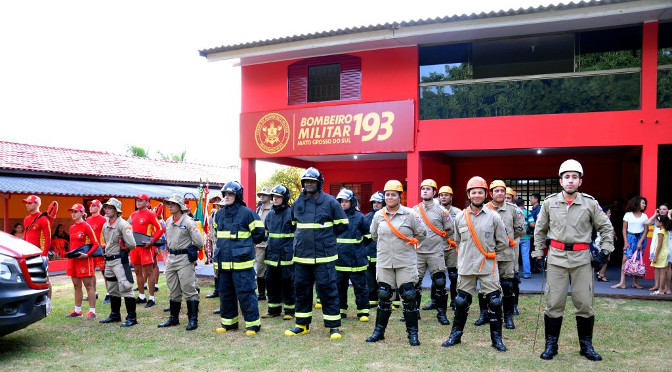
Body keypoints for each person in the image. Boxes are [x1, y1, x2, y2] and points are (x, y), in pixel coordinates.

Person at [532, 159, 614, 361]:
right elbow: (540, 230)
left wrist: (604, 251)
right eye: (566, 177)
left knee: (584, 304)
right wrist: (537, 254)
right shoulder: (550, 203)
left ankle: (586, 346)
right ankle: (551, 345)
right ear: (560, 181)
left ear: (580, 181)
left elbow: (606, 227)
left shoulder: (589, 203)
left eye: (574, 177)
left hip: (582, 260)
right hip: (556, 259)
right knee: (553, 304)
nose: (570, 181)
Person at [442, 176, 509, 352]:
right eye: (474, 192)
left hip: (487, 266)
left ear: (486, 194)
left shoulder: (494, 217)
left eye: (480, 192)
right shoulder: (460, 218)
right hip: (466, 266)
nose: (477, 195)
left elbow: (502, 242)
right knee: (461, 301)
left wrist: (491, 254)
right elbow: (457, 239)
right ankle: (455, 336)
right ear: (468, 195)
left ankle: (497, 340)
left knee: (495, 302)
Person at [285, 167, 348, 340]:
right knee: (301, 290)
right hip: (301, 257)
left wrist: (326, 238)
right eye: (306, 182)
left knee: (328, 290)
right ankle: (302, 324)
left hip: (324, 256)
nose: (309, 184)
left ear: (319, 183)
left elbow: (342, 224)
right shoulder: (297, 202)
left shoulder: (331, 202)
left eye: (312, 181)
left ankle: (334, 326)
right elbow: (292, 224)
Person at [366, 180, 426, 346]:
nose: (390, 197)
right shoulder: (378, 215)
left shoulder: (410, 214)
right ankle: (379, 332)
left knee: (408, 296)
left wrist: (412, 240)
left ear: (400, 196)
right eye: (387, 195)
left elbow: (422, 233)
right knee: (384, 295)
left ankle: (413, 334)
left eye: (393, 194)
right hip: (385, 262)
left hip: (405, 262)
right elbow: (374, 235)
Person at [213, 181, 265, 336]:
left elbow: (259, 234)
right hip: (224, 263)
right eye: (225, 194)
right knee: (225, 293)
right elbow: (217, 234)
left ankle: (253, 325)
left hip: (242, 264)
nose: (227, 197)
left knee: (246, 293)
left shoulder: (247, 213)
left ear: (237, 196)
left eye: (230, 194)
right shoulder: (219, 214)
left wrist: (244, 246)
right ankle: (229, 323)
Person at [473, 180, 524, 330]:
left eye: (502, 191)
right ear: (491, 193)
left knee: (507, 286)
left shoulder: (514, 210)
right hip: (487, 254)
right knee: (484, 287)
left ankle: (508, 317)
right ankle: (484, 314)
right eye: (496, 191)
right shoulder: (484, 209)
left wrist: (507, 240)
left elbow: (521, 229)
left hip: (506, 254)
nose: (500, 193)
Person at [157, 194, 204, 330]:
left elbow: (199, 242)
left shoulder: (189, 222)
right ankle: (174, 318)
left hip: (184, 258)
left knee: (189, 288)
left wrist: (192, 249)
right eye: (169, 204)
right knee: (173, 289)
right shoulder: (168, 221)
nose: (169, 206)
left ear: (179, 206)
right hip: (171, 257)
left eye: (172, 204)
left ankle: (193, 320)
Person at [413, 179, 453, 326]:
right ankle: (413, 312)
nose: (425, 191)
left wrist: (439, 242)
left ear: (434, 192)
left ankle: (441, 313)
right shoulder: (414, 210)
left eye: (428, 189)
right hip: (418, 253)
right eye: (423, 189)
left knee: (440, 282)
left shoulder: (443, 211)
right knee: (414, 283)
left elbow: (449, 230)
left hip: (436, 252)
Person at [98, 198, 139, 327]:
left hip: (120, 260)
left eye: (110, 208)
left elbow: (132, 243)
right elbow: (106, 241)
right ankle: (115, 314)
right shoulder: (106, 224)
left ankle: (132, 317)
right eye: (106, 207)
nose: (106, 210)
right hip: (109, 260)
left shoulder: (123, 224)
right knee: (112, 288)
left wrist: (124, 248)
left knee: (126, 287)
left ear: (116, 210)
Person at [335, 188, 370, 322]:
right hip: (339, 260)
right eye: (341, 201)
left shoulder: (361, 217)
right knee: (339, 287)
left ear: (352, 202)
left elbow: (368, 237)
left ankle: (363, 312)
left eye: (346, 201)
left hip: (357, 260)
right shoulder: (335, 217)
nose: (343, 204)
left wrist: (357, 248)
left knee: (360, 287)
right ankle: (340, 310)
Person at [261, 184, 296, 319]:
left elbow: (296, 233)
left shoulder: (291, 213)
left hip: (287, 255)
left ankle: (289, 311)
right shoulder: (270, 215)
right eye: (274, 197)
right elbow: (267, 233)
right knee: (271, 282)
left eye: (278, 197)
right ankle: (273, 309)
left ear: (284, 198)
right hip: (272, 255)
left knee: (287, 282)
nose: (275, 199)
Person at [128, 193, 165, 307]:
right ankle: (141, 296)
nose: (138, 202)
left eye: (141, 200)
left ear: (147, 203)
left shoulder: (150, 214)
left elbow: (160, 228)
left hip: (145, 247)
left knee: (148, 272)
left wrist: (152, 242)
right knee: (138, 272)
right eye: (137, 200)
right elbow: (128, 229)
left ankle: (152, 298)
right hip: (135, 247)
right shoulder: (133, 215)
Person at [65, 204, 99, 320]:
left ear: (81, 213)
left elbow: (95, 244)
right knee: (76, 285)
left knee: (89, 285)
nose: (73, 214)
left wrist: (87, 255)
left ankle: (92, 311)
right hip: (73, 260)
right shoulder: (72, 227)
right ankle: (77, 310)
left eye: (75, 211)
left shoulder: (86, 226)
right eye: (72, 211)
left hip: (84, 260)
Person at [611, 196, 649, 290]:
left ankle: (635, 283)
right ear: (636, 203)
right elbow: (624, 229)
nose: (644, 205)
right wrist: (625, 242)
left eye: (644, 203)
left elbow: (646, 231)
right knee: (625, 259)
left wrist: (640, 242)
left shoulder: (645, 216)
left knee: (636, 261)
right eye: (642, 203)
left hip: (641, 238)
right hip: (630, 237)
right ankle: (622, 282)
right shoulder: (628, 214)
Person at [433, 186, 461, 311]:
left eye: (446, 195)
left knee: (453, 275)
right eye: (441, 195)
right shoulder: (433, 211)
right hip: (437, 246)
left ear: (451, 197)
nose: (443, 197)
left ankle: (454, 300)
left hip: (452, 247)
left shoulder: (458, 212)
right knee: (437, 275)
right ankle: (435, 300)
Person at [364, 191, 384, 308]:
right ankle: (371, 300)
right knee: (370, 278)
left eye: (378, 202)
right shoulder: (366, 217)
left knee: (384, 279)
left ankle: (388, 300)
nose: (376, 204)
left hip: (383, 254)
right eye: (374, 202)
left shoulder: (387, 216)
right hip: (369, 254)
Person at [646, 203, 669, 291]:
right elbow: (647, 223)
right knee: (657, 266)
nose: (662, 211)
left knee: (666, 267)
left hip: (665, 245)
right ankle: (657, 286)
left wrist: (669, 215)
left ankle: (664, 288)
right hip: (657, 243)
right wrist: (655, 214)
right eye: (660, 209)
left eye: (664, 209)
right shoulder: (657, 219)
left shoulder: (667, 221)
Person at [87, 200, 107, 303]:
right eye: (91, 205)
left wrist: (105, 247)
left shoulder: (103, 220)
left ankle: (109, 294)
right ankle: (93, 293)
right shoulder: (88, 220)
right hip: (91, 249)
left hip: (100, 249)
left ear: (99, 208)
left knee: (105, 272)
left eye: (94, 206)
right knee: (91, 273)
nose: (91, 207)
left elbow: (106, 234)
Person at [255, 187, 272, 301]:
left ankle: (272, 293)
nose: (262, 196)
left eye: (264, 194)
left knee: (271, 269)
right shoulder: (258, 209)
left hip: (271, 243)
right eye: (260, 194)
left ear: (270, 197)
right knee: (260, 268)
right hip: (260, 244)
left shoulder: (273, 209)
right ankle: (261, 293)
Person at [206, 191, 223, 302]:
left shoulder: (223, 213)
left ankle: (221, 290)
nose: (216, 202)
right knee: (215, 267)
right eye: (215, 200)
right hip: (213, 241)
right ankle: (216, 290)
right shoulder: (214, 213)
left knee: (220, 267)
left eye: (218, 200)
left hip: (220, 242)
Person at [651, 212, 672, 295]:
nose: (656, 223)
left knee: (662, 272)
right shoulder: (666, 231)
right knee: (663, 271)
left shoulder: (661, 232)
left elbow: (659, 245)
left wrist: (655, 255)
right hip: (666, 252)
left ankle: (661, 290)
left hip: (661, 253)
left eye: (658, 222)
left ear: (661, 223)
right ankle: (661, 289)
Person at [594, 205, 616, 282]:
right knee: (605, 259)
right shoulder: (605, 221)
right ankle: (601, 275)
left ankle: (599, 272)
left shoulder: (602, 221)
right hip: (603, 242)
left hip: (601, 242)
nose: (610, 214)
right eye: (608, 213)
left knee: (601, 258)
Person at [517, 198, 533, 279]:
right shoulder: (528, 212)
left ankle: (513, 273)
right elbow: (532, 224)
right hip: (526, 237)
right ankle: (527, 273)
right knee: (525, 255)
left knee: (514, 255)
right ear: (523, 204)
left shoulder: (514, 212)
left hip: (515, 237)